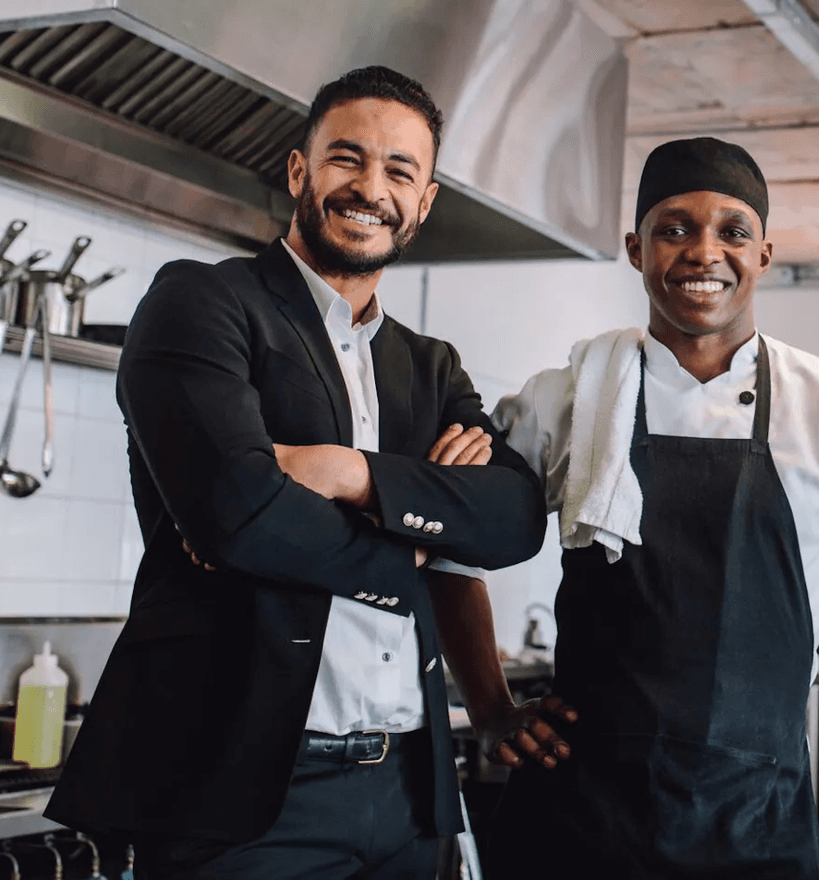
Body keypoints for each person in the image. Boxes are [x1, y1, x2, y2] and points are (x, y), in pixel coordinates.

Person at [43, 66, 546, 880]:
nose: (370, 189)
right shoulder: (203, 303)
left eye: (399, 171)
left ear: (424, 202)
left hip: (408, 789)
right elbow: (238, 513)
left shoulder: (429, 367)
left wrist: (350, 475)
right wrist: (419, 540)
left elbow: (515, 517)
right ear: (298, 170)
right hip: (242, 799)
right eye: (347, 158)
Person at [435, 138, 819, 879]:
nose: (703, 252)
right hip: (576, 818)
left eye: (732, 231)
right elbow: (452, 544)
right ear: (636, 249)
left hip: (753, 825)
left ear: (763, 254)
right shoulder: (564, 399)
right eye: (674, 228)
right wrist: (491, 708)